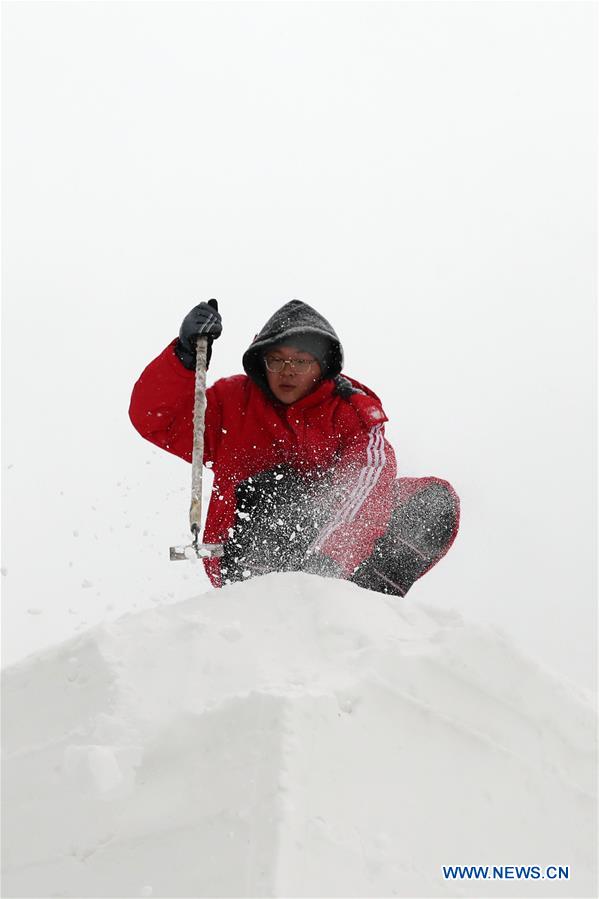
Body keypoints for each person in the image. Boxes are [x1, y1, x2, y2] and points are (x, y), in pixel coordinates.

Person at [129, 299, 460, 595]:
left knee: (432, 500)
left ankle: (366, 601)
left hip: (333, 561)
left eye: (300, 362)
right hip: (243, 554)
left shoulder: (351, 413)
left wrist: (326, 566)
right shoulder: (233, 403)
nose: (287, 372)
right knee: (276, 486)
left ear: (322, 365)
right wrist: (184, 357)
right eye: (277, 360)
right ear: (262, 362)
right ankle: (271, 597)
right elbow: (158, 419)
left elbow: (366, 488)